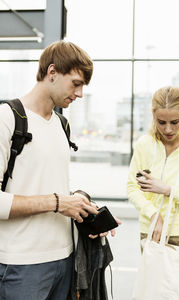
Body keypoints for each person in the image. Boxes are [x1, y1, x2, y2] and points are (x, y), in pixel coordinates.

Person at [0, 40, 117, 300]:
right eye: (76, 83)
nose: (79, 94)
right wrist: (57, 203)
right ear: (52, 72)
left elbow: (49, 186)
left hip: (66, 261)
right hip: (21, 265)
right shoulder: (7, 119)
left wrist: (79, 202)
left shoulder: (61, 125)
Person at [127, 86, 179, 300]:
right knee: (151, 294)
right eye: (161, 122)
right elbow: (132, 187)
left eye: (174, 122)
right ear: (153, 116)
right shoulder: (144, 145)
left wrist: (168, 190)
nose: (168, 129)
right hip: (151, 231)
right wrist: (153, 214)